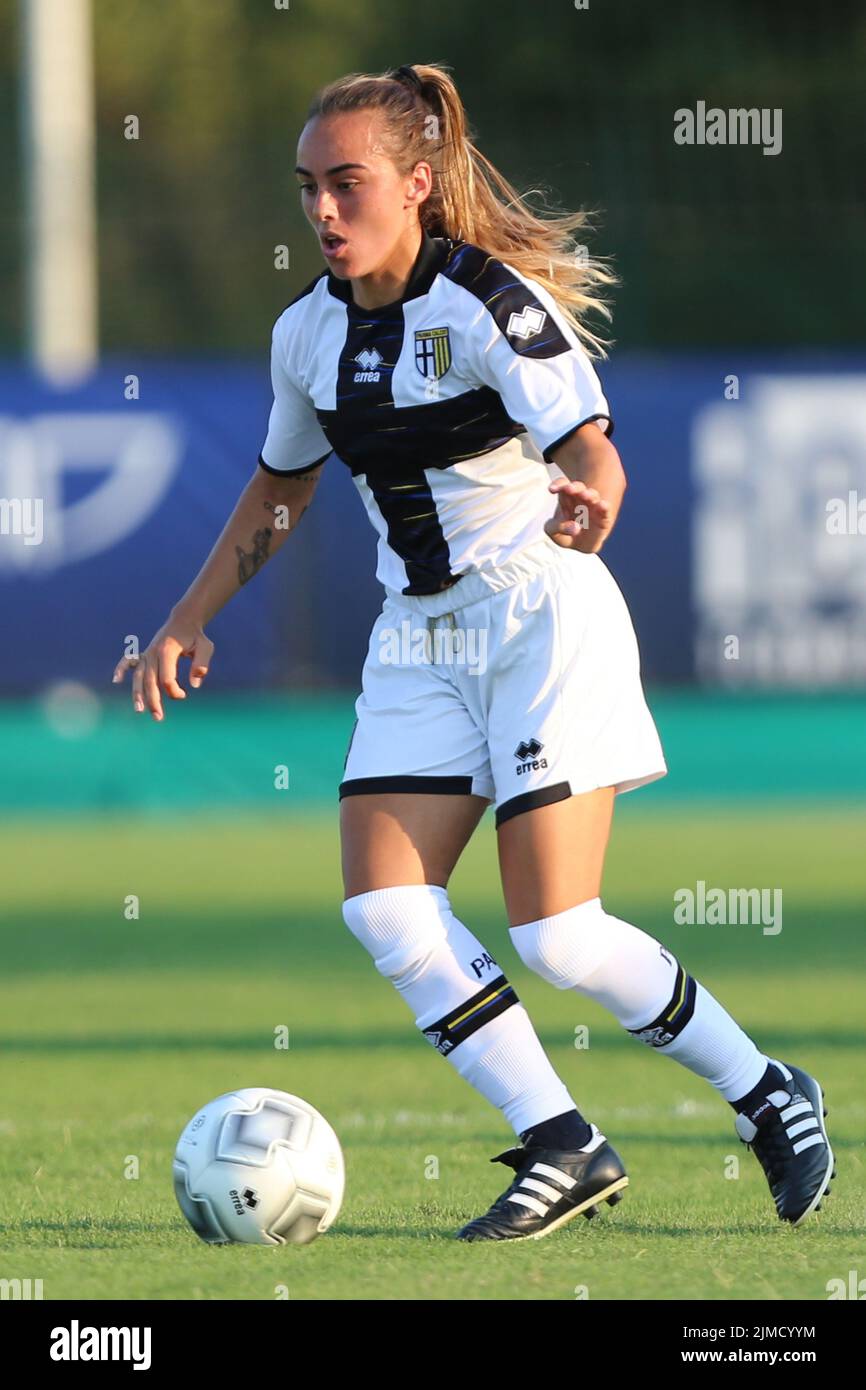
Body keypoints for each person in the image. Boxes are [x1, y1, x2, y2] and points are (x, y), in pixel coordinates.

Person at [113, 62, 834, 1242]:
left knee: (557, 934)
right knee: (387, 912)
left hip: (537, 613)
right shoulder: (305, 333)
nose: (324, 212)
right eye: (307, 189)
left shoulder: (488, 306)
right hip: (417, 637)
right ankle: (563, 1142)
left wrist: (592, 492)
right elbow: (280, 485)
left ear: (416, 181)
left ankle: (767, 1093)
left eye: (347, 185)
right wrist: (189, 618)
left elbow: (588, 445)